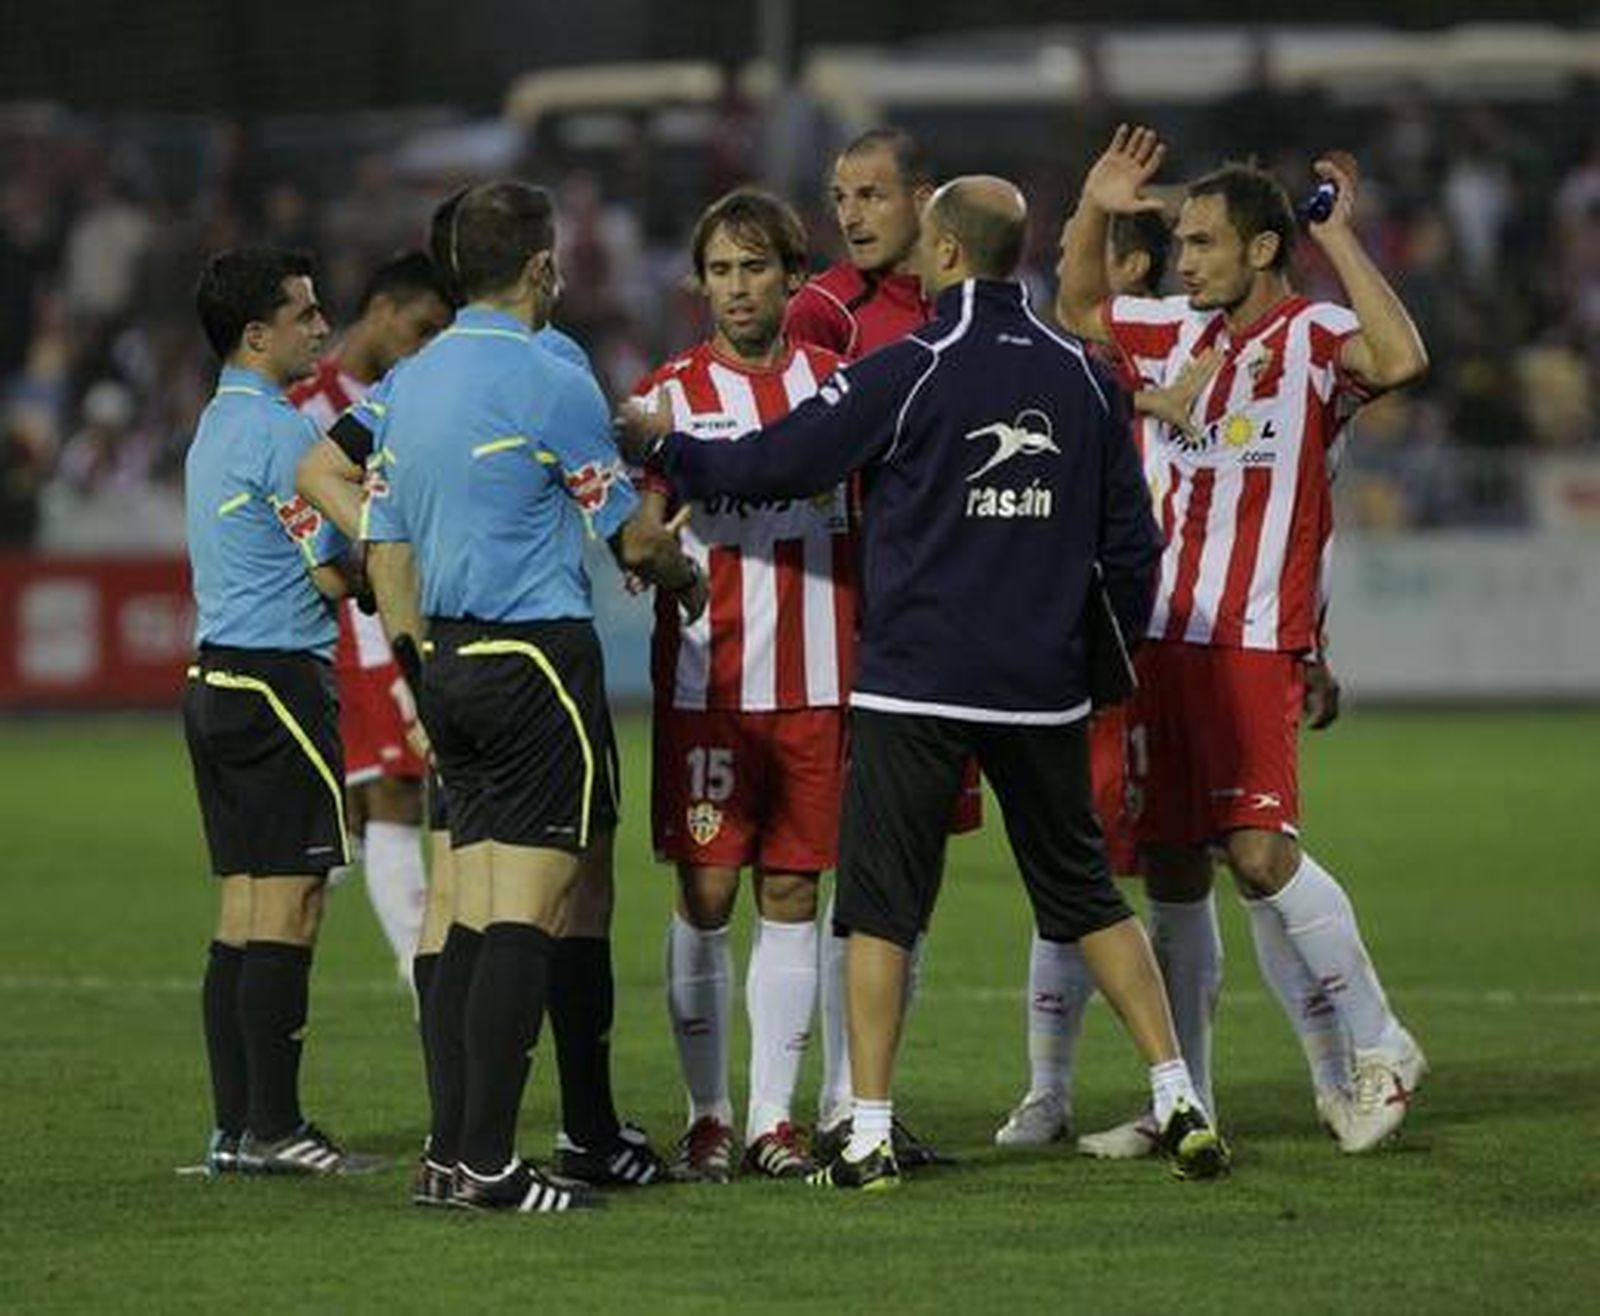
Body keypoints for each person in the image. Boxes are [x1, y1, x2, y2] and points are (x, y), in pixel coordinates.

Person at [622, 175, 1229, 1189]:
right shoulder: (1085, 375)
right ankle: (1178, 1094)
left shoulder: (908, 367)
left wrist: (666, 448)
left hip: (914, 684)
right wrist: (1099, 645)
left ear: (944, 251)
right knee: (1085, 894)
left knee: (876, 908)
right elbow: (1133, 542)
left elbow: (774, 461)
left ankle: (865, 1127)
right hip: (1040, 686)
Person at [1056, 125, 1428, 1155]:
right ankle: (1187, 1100)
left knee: (1258, 851)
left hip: (1249, 638)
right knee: (1172, 867)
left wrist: (1338, 238)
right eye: (1179, 243)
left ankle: (1382, 1038)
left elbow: (1399, 356)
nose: (1183, 260)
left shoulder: (1312, 336)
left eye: (1203, 244)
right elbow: (1077, 308)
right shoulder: (1169, 333)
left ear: (1261, 249)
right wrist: (1094, 203)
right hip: (1156, 639)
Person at [361, 180, 707, 1213]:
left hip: (450, 664)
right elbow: (630, 539)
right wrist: (683, 569)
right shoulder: (549, 373)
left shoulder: (409, 381)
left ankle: (450, 1152)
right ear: (543, 267)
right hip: (536, 662)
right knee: (529, 913)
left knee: (468, 912)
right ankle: (490, 1165)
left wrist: (422, 669)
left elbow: (382, 544)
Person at [632, 188, 850, 1182]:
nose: (736, 288)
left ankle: (773, 1119)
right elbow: (637, 526)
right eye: (719, 269)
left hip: (817, 678)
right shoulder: (665, 396)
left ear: (791, 278)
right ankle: (706, 1112)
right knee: (708, 889)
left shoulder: (841, 388)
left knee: (794, 887)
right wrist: (651, 555)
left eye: (754, 267)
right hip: (706, 679)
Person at [783, 126, 965, 1168]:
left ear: (922, 199)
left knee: (908, 875)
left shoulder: (953, 307)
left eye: (869, 193)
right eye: (838, 194)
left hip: (936, 628)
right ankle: (831, 1108)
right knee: (851, 872)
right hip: (850, 628)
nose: (849, 213)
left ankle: (867, 1104)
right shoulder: (824, 311)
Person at [181, 246, 381, 1176]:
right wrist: (383, 570)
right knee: (294, 904)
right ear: (257, 335)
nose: (322, 326)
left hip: (216, 680)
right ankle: (277, 1126)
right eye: (304, 313)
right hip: (277, 683)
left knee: (242, 908)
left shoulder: (217, 426)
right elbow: (328, 568)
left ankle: (237, 1128)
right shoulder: (283, 436)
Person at [286, 251, 453, 980]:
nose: (426, 347)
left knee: (401, 795)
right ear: (382, 310)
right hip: (356, 629)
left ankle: (431, 962)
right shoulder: (308, 409)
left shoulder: (419, 397)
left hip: (421, 614)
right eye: (420, 328)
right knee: (395, 792)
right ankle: (424, 976)